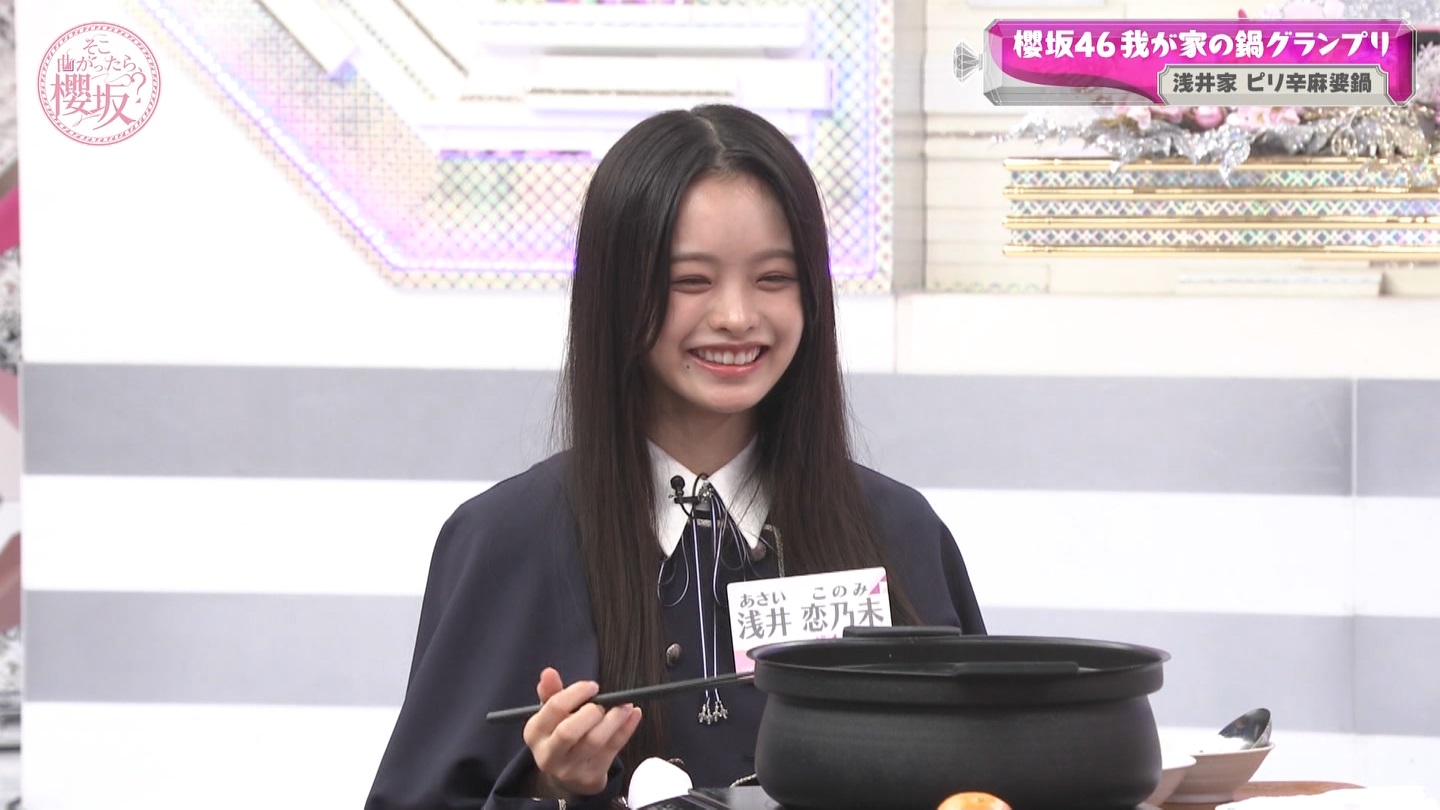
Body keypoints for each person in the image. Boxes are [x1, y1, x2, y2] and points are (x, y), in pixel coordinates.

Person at [365, 104, 986, 810]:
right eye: (691, 281)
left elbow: (985, 781)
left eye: (774, 278)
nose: (736, 317)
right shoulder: (507, 539)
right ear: (615, 294)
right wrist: (552, 791)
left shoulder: (900, 530)